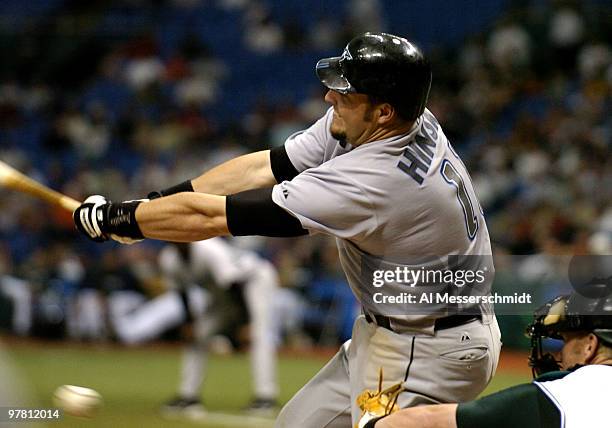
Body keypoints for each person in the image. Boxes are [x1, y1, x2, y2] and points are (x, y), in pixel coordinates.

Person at [73, 32, 502, 427]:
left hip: (426, 349)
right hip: (394, 332)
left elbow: (212, 218)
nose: (329, 95)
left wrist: (122, 219)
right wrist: (151, 204)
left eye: (346, 91)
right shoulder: (394, 120)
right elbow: (264, 166)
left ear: (384, 111)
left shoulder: (374, 179)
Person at [361, 290, 612, 428]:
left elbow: (429, 422)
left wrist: (374, 424)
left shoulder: (567, 394)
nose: (559, 355)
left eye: (566, 341)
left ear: (590, 345)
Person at [107, 238, 281, 415]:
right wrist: (189, 323)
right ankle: (188, 396)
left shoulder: (209, 248)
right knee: (196, 335)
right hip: (223, 292)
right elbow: (182, 294)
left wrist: (244, 325)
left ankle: (265, 397)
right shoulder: (170, 259)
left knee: (259, 335)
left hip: (254, 281)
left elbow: (234, 285)